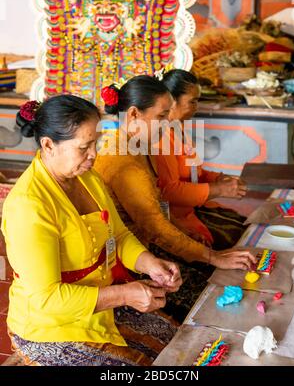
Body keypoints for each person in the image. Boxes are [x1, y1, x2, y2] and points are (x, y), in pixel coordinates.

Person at [1, 95, 181, 366]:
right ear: (49, 145)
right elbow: (47, 299)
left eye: (95, 143)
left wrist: (149, 264)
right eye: (84, 146)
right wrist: (124, 294)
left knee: (175, 341)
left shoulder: (88, 178)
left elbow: (118, 236)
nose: (94, 154)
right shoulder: (29, 206)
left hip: (100, 303)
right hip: (51, 325)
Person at [95, 75, 256, 321]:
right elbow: (155, 225)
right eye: (161, 116)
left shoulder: (139, 146)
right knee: (208, 296)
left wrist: (182, 228)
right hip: (129, 260)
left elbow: (157, 206)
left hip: (148, 245)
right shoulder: (123, 161)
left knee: (217, 276)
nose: (167, 122)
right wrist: (212, 256)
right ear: (134, 115)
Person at [156, 69, 248, 250]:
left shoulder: (178, 129)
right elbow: (169, 192)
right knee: (235, 238)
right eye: (193, 101)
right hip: (176, 218)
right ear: (172, 102)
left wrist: (218, 178)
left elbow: (193, 170)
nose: (197, 107)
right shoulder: (160, 138)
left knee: (244, 224)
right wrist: (218, 189)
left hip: (192, 209)